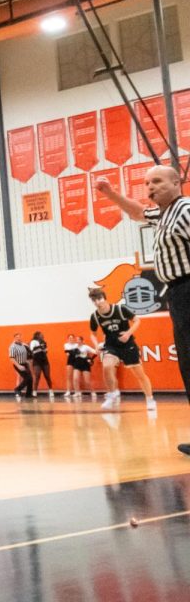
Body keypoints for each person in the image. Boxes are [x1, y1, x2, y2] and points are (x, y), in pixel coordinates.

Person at [96, 167, 190, 454]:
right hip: (178, 293)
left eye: (158, 181)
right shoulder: (162, 214)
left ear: (177, 182)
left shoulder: (184, 209)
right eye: (147, 183)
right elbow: (138, 212)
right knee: (187, 364)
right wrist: (110, 194)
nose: (150, 187)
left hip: (188, 288)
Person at [88, 287, 156, 411]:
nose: (97, 302)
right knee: (107, 366)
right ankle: (112, 394)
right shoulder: (95, 316)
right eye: (94, 300)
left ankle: (150, 399)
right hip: (111, 346)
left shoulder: (120, 309)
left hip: (127, 345)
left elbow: (137, 320)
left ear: (104, 298)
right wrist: (95, 344)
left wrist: (128, 334)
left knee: (140, 375)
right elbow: (92, 333)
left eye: (99, 299)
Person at [29, 331, 55, 400]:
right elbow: (32, 350)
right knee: (37, 376)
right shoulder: (33, 342)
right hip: (37, 361)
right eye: (41, 335)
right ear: (37, 335)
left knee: (47, 376)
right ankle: (34, 392)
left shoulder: (44, 342)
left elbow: (45, 351)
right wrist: (40, 347)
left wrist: (42, 348)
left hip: (44, 360)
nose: (42, 336)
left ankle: (51, 390)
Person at [8, 333, 33, 401]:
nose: (18, 338)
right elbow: (11, 358)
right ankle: (17, 389)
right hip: (18, 364)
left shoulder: (22, 344)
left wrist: (27, 361)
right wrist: (18, 366)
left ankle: (28, 394)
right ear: (14, 338)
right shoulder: (12, 346)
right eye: (17, 337)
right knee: (28, 378)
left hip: (25, 363)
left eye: (19, 337)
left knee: (30, 379)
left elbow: (26, 354)